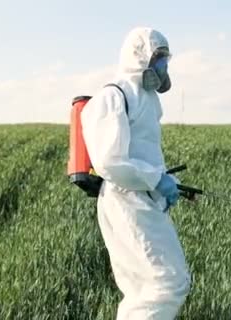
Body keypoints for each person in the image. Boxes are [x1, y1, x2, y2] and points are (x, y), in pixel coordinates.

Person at [81, 27, 190, 319]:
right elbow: (111, 160)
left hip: (143, 199)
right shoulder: (113, 95)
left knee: (142, 288)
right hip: (126, 200)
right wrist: (156, 179)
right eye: (158, 58)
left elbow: (142, 155)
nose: (163, 66)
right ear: (139, 56)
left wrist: (166, 181)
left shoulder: (148, 99)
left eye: (166, 59)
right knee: (168, 282)